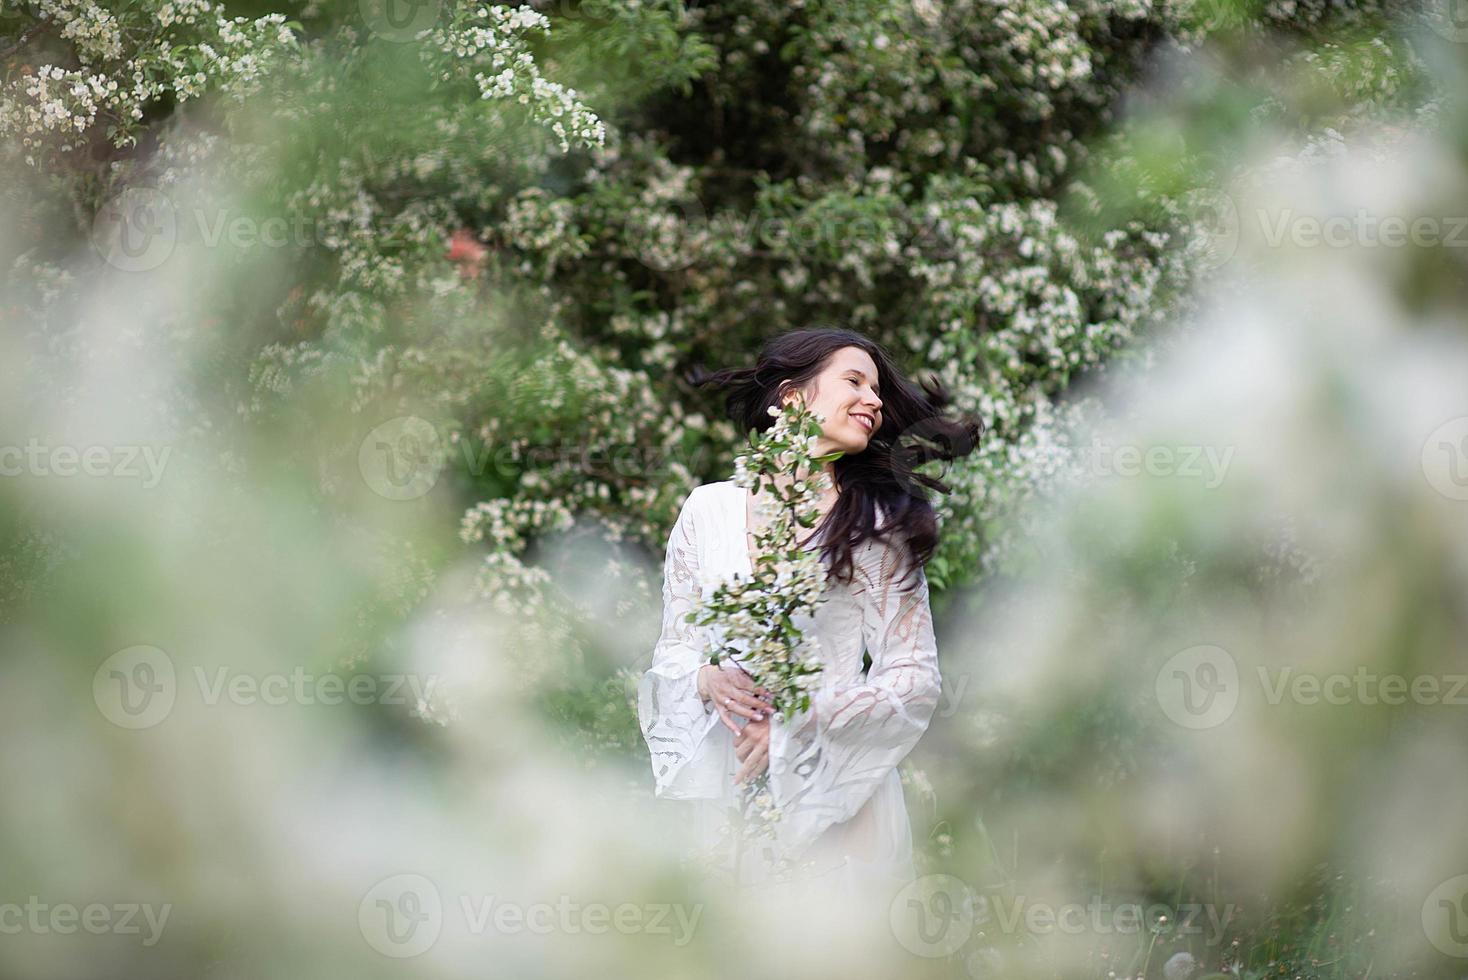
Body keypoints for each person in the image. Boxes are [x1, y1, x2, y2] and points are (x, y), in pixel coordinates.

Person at [637, 327, 982, 908]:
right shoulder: (708, 510)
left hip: (838, 800)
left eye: (877, 390)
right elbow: (674, 650)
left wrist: (800, 726)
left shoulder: (875, 526)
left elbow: (914, 677)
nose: (873, 400)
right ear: (793, 396)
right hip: (732, 792)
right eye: (855, 381)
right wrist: (706, 678)